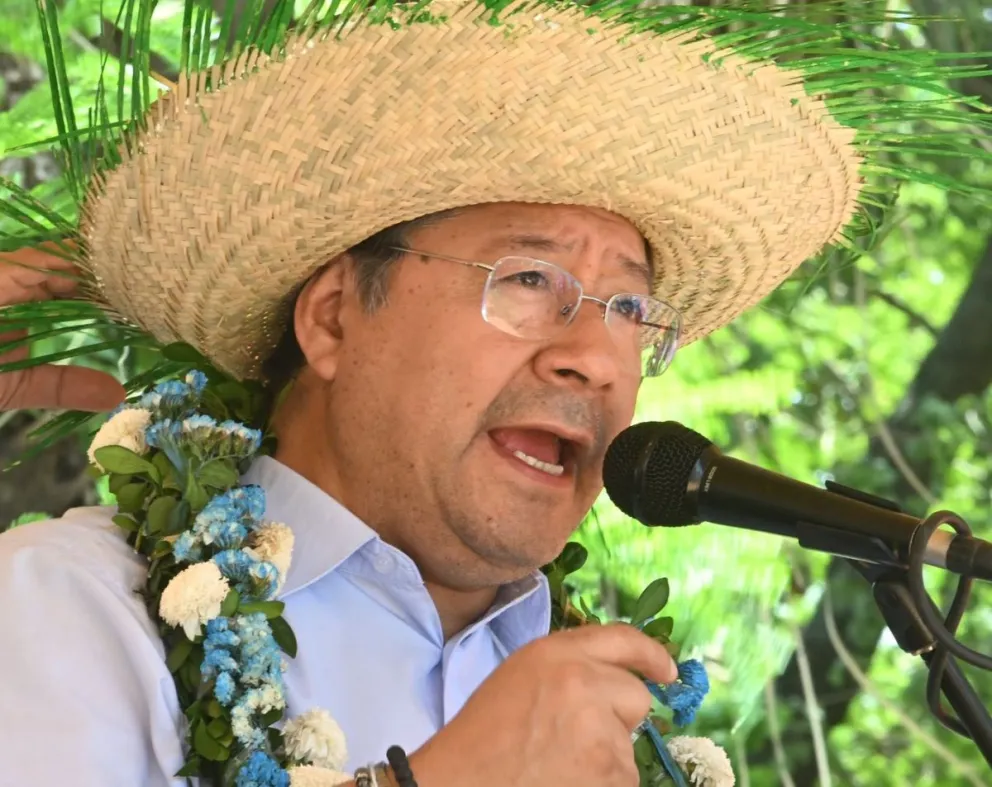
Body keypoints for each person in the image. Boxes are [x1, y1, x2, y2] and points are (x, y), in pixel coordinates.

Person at [0, 1, 984, 786]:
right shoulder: (68, 603)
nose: (596, 359)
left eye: (631, 310)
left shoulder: (624, 717)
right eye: (527, 280)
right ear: (335, 317)